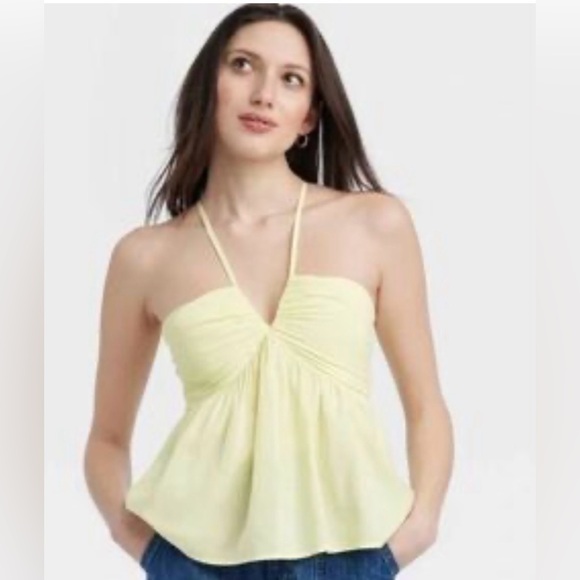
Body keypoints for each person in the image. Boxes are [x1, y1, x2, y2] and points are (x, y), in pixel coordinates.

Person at [83, 4, 454, 579]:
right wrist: (151, 552)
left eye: (291, 79)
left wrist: (418, 527)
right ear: (208, 85)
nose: (263, 94)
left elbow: (426, 407)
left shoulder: (375, 225)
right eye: (242, 65)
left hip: (353, 557)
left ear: (309, 116)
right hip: (196, 562)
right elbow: (107, 439)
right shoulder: (145, 257)